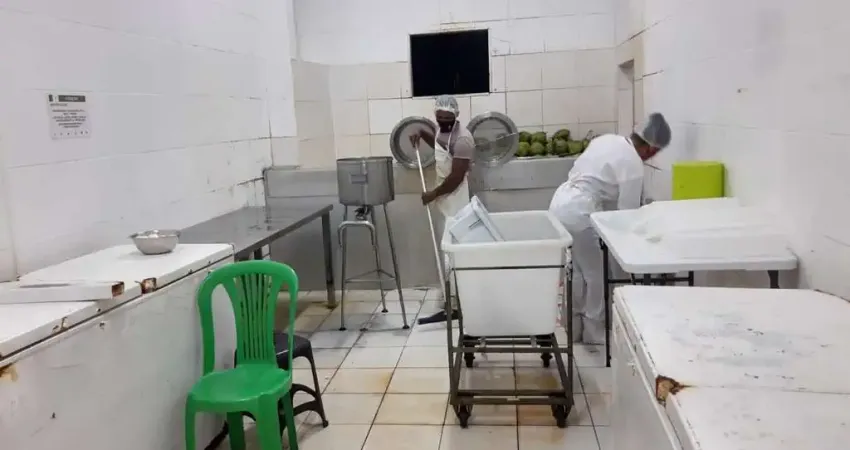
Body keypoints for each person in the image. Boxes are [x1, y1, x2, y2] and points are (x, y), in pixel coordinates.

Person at [549, 113, 672, 344]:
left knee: (577, 269)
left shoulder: (606, 140)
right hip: (579, 211)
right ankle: (593, 330)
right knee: (596, 272)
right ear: (650, 149)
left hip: (560, 203)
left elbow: (601, 185)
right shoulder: (633, 165)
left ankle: (573, 327)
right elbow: (627, 215)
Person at [409, 95, 475, 325]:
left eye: (448, 118)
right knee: (445, 249)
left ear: (456, 116)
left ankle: (457, 304)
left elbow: (456, 177)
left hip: (455, 200)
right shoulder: (442, 131)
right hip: (445, 200)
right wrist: (422, 135)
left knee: (452, 253)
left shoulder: (464, 140)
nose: (444, 122)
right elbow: (439, 143)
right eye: (440, 118)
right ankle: (450, 297)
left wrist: (433, 193)